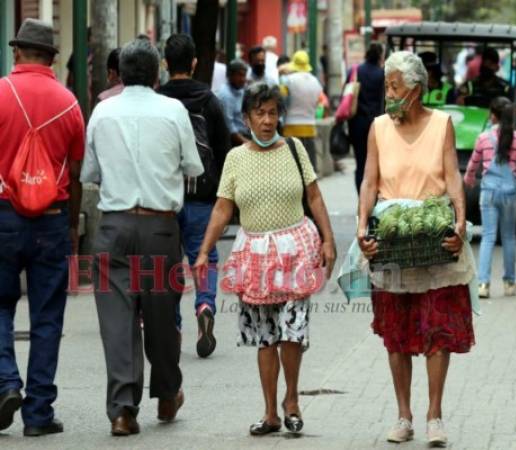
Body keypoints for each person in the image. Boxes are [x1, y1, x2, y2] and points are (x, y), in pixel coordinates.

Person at [194, 83, 336, 436]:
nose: (268, 120)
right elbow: (223, 207)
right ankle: (271, 413)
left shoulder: (295, 150)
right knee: (265, 336)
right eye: (260, 113)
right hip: (255, 255)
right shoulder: (235, 159)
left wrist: (329, 240)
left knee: (293, 328)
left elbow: (314, 196)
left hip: (296, 249)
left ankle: (292, 400)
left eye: (273, 112)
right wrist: (202, 252)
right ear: (247, 118)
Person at [81, 38, 204, 436]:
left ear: (118, 71)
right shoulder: (173, 110)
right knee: (160, 318)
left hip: (113, 226)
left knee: (117, 323)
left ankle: (122, 410)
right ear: (156, 74)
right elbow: (192, 166)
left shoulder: (101, 111)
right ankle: (167, 393)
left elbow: (90, 173)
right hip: (159, 226)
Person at [357, 51, 474, 446]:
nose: (388, 93)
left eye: (394, 86)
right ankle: (404, 415)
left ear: (417, 89)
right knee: (397, 332)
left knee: (438, 331)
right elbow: (370, 181)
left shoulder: (441, 125)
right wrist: (360, 226)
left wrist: (460, 220)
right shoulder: (377, 127)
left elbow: (452, 175)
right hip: (392, 241)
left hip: (433, 238)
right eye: (386, 86)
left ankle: (434, 415)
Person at [0, 18, 84, 437]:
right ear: (51, 57)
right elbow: (76, 167)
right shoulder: (69, 103)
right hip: (51, 219)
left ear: (17, 52)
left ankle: (4, 383)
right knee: (47, 318)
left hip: (2, 215)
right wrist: (73, 227)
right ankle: (38, 414)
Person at [158, 34, 231, 357]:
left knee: (169, 264)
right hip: (203, 195)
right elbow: (223, 149)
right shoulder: (209, 100)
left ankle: (173, 327)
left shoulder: (157, 100)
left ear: (164, 63)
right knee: (205, 257)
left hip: (164, 197)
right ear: (194, 63)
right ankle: (205, 306)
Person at [465, 97, 516, 299]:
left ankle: (483, 284)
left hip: (488, 192)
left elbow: (473, 165)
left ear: (493, 116)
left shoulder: (483, 138)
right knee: (508, 237)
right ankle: (509, 282)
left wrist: (469, 179)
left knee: (488, 237)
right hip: (509, 194)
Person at [347, 42, 384, 192]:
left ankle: (361, 197)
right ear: (380, 56)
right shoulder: (382, 74)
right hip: (377, 124)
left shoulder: (355, 71)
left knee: (360, 163)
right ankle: (372, 196)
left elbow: (347, 95)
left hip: (357, 123)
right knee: (376, 162)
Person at [281, 50, 323, 170]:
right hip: (310, 127)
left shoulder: (288, 80)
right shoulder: (316, 82)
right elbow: (319, 102)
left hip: (291, 127)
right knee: (309, 168)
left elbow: (281, 98)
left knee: (291, 168)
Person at [217, 59, 249, 146]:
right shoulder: (226, 95)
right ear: (230, 75)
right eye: (239, 75)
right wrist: (247, 143)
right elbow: (229, 126)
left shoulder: (241, 89)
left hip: (245, 133)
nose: (243, 79)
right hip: (234, 140)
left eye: (244, 75)